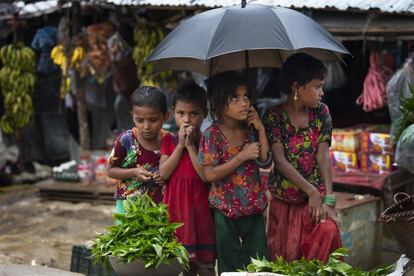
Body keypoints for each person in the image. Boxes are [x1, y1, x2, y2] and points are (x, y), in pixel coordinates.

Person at [263, 53, 342, 262]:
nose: (322, 93)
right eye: (317, 86)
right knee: (289, 264)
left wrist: (329, 199)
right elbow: (279, 161)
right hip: (286, 205)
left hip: (315, 204)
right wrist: (311, 190)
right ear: (297, 87)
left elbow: (323, 156)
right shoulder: (274, 116)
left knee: (327, 236)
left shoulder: (321, 113)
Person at [198, 71, 271, 274]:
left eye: (246, 96)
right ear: (219, 103)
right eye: (235, 98)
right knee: (230, 267)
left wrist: (261, 129)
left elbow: (264, 160)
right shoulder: (212, 135)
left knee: (260, 265)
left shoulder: (249, 130)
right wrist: (241, 156)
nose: (244, 103)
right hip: (225, 211)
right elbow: (209, 175)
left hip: (254, 209)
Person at [159, 83, 216, 276]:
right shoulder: (169, 140)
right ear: (173, 112)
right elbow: (164, 173)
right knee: (184, 264)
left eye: (194, 114)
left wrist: (191, 146)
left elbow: (204, 175)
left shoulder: (207, 140)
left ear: (205, 113)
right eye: (181, 113)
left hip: (200, 209)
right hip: (177, 209)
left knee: (205, 265)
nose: (187, 120)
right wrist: (180, 146)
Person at [107, 86, 169, 214]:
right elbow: (110, 171)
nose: (146, 127)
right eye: (139, 120)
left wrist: (165, 177)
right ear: (132, 116)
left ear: (166, 116)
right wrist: (134, 172)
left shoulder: (170, 141)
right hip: (128, 205)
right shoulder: (125, 140)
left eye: (153, 120)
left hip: (158, 206)